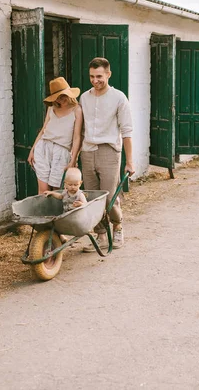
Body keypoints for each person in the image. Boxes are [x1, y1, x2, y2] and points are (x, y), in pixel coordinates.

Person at [80, 57, 135, 251]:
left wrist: (130, 161)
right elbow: (80, 129)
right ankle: (101, 235)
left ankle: (118, 227)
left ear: (108, 74)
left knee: (109, 197)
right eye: (92, 76)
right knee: (91, 198)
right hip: (87, 152)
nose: (95, 80)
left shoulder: (119, 98)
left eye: (99, 76)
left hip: (109, 152)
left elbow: (127, 131)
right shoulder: (84, 98)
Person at [27, 77, 83, 194]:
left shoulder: (77, 110)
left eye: (63, 96)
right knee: (43, 189)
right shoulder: (51, 108)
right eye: (57, 97)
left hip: (61, 150)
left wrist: (73, 159)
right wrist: (32, 150)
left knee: (57, 189)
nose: (61, 100)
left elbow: (77, 136)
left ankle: (58, 213)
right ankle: (43, 213)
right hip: (43, 147)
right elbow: (43, 130)